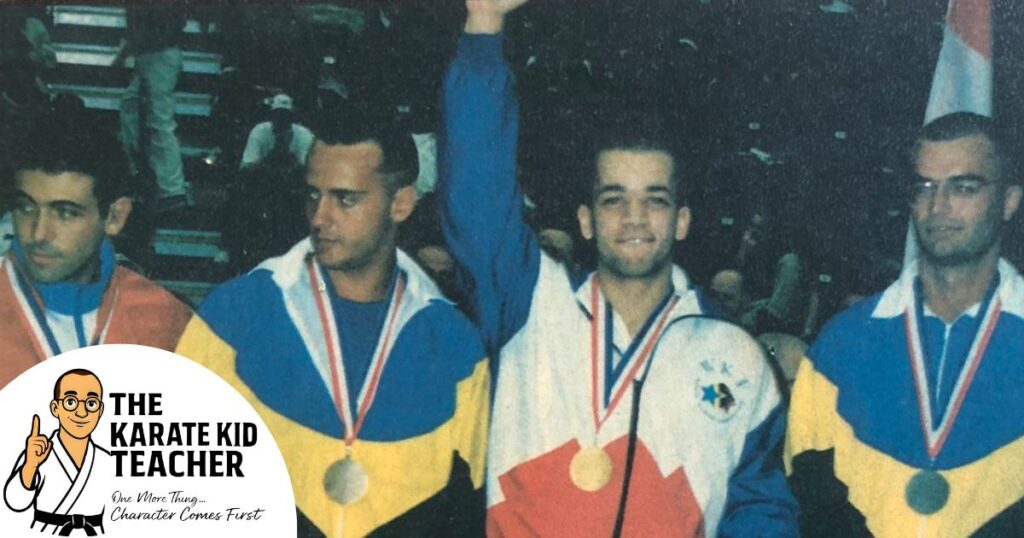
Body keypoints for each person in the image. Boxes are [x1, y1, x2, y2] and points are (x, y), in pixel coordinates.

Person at [440, 1, 797, 535]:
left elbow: (760, 510)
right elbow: (476, 194)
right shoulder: (531, 304)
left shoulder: (733, 353)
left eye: (654, 200)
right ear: (585, 220)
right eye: (614, 199)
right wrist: (484, 28)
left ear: (681, 221)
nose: (634, 217)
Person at [175, 107, 490, 537]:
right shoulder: (235, 315)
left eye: (346, 199)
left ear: (401, 203)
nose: (320, 217)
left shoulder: (454, 346)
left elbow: (468, 517)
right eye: (312, 195)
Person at [786, 112, 1024, 536]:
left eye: (964, 188)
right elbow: (799, 499)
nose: (938, 207)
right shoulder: (841, 347)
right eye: (924, 188)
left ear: (1008, 201)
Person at [0, 123, 192, 388]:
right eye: (26, 208)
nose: (38, 234)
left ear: (115, 217)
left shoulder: (166, 320)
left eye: (65, 212)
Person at [4, 369, 113, 535]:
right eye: (71, 402)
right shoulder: (38, 454)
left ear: (100, 410)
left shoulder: (106, 460)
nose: (82, 412)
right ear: (55, 408)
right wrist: (30, 466)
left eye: (91, 403)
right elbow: (15, 503)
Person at [115, 3, 191, 213]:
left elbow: (170, 25)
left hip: (161, 56)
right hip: (149, 57)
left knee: (160, 121)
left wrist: (136, 47)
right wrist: (125, 53)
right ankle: (138, 172)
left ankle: (173, 189)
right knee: (129, 108)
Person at [240, 93, 315, 169]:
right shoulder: (259, 131)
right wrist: (272, 156)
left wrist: (288, 153)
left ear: (292, 118)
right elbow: (247, 167)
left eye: (286, 115)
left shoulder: (304, 134)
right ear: (271, 116)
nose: (281, 119)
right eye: (277, 114)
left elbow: (310, 169)